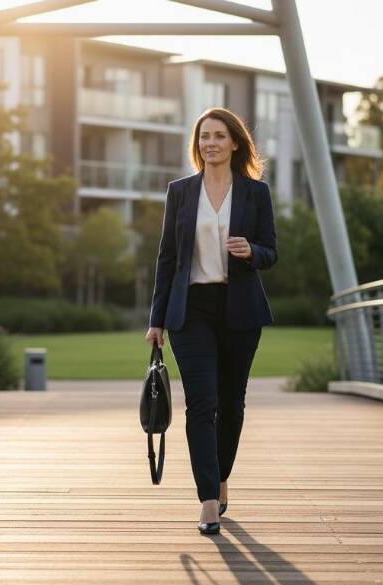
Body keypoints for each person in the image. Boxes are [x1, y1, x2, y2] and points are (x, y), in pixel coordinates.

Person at [145, 107, 278, 536]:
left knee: (231, 404)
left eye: (220, 136)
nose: (211, 143)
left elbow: (271, 252)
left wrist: (251, 252)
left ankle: (221, 477)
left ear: (235, 142)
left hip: (239, 309)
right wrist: (156, 319)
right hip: (191, 311)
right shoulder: (180, 192)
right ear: (197, 143)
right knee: (202, 402)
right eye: (204, 136)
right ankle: (207, 500)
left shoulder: (256, 193)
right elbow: (167, 258)